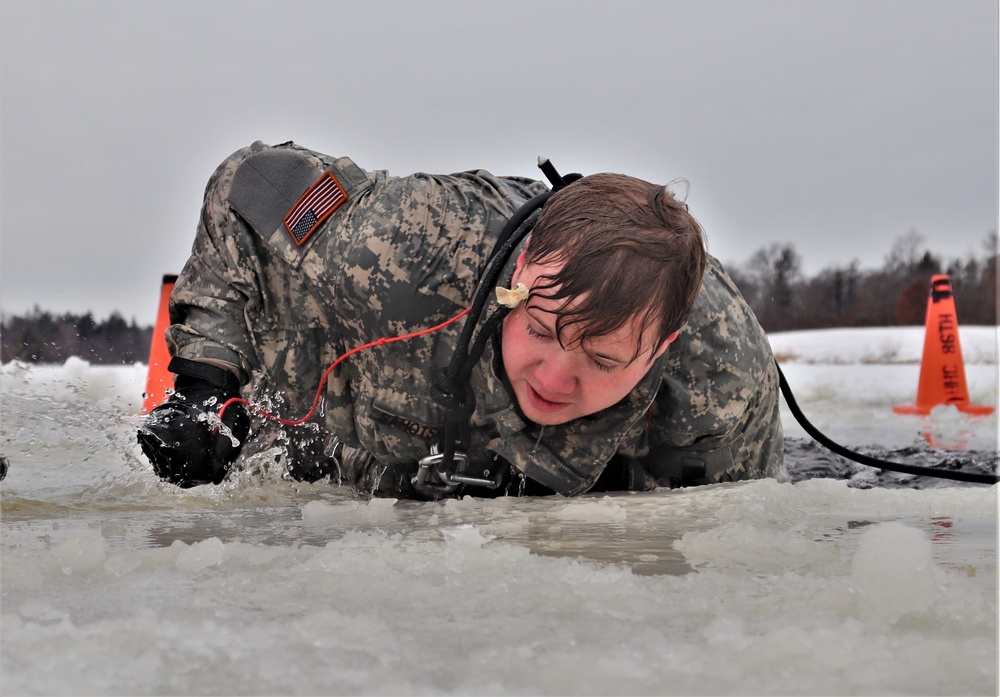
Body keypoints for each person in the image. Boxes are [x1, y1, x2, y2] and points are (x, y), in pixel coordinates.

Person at [138, 140, 786, 498]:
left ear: (661, 346)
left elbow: (715, 552)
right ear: (521, 269)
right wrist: (203, 386)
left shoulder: (719, 386)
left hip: (534, 474)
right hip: (336, 405)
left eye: (603, 359)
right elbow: (246, 182)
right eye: (540, 328)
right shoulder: (405, 245)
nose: (555, 377)